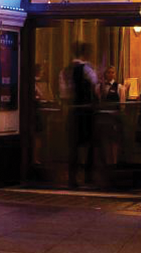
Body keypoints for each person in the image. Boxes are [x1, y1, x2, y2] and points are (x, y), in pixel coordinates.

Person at [61, 44, 98, 189]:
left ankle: (72, 178)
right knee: (90, 144)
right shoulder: (87, 69)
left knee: (73, 147)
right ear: (85, 54)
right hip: (86, 112)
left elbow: (64, 93)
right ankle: (88, 176)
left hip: (72, 111)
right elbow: (96, 86)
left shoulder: (65, 71)